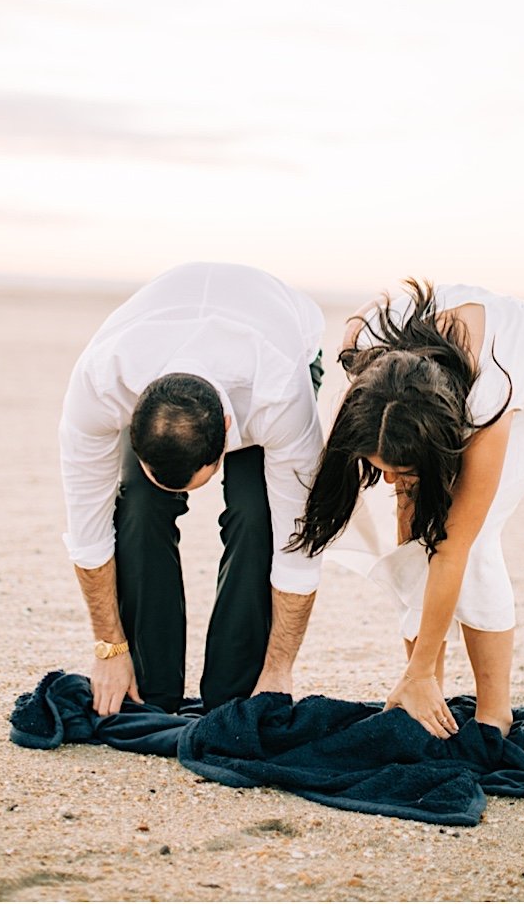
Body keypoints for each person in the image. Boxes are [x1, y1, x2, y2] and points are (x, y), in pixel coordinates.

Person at [286, 280, 524, 739]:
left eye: (401, 469)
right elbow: (414, 536)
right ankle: (428, 697)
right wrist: (420, 673)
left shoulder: (493, 394)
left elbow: (452, 547)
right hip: (440, 381)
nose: (387, 480)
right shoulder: (365, 351)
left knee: (474, 537)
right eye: (379, 468)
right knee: (414, 527)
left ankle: (494, 717)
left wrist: (420, 667)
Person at [60, 261, 327, 717]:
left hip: (284, 344)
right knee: (139, 507)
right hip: (165, 335)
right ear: (132, 422)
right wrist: (109, 648)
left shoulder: (280, 394)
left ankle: (236, 693)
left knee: (256, 511)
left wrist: (279, 670)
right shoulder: (103, 383)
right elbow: (88, 537)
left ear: (227, 433)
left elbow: (297, 550)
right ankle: (149, 687)